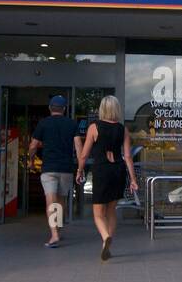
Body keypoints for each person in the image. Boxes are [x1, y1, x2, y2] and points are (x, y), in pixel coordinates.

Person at [75, 94, 138, 262]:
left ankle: (105, 237)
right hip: (118, 170)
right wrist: (133, 179)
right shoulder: (122, 129)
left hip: (102, 170)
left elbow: (84, 155)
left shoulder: (94, 127)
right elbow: (128, 157)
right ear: (116, 109)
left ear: (102, 109)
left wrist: (80, 170)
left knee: (98, 213)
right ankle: (107, 244)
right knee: (111, 210)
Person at [27, 95, 82, 248]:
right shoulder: (72, 124)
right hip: (66, 169)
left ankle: (54, 234)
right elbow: (78, 146)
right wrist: (80, 167)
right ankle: (57, 229)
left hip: (49, 169)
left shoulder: (43, 124)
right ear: (64, 109)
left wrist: (31, 161)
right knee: (61, 201)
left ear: (50, 108)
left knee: (51, 201)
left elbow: (33, 146)